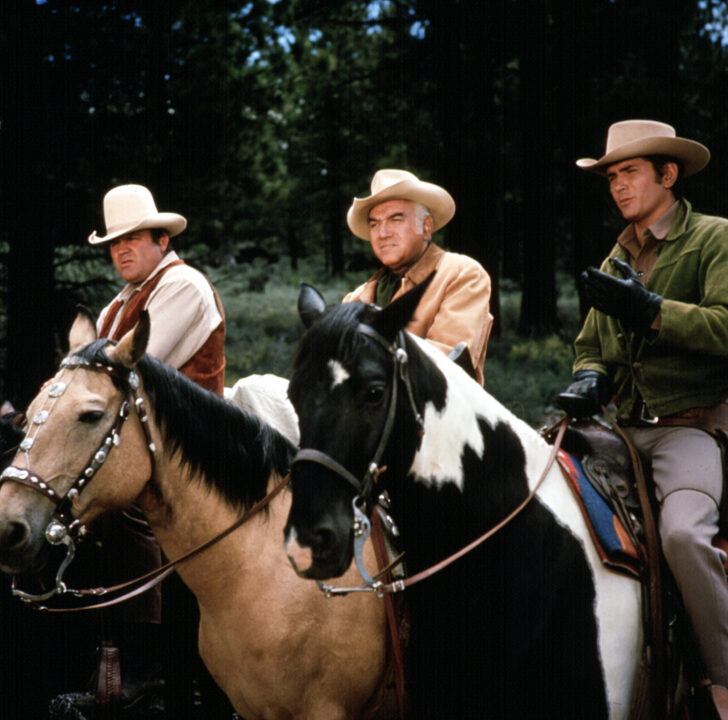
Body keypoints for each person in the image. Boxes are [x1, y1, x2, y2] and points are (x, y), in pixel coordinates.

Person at [557, 120, 728, 716]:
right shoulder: (614, 255)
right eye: (610, 177)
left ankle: (722, 680)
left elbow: (726, 326)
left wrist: (655, 313)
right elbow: (589, 343)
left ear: (668, 174)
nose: (618, 186)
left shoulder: (714, 238)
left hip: (688, 426)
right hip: (618, 429)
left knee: (682, 533)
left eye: (629, 172)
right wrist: (589, 375)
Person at [77, 184, 230, 715]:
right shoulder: (116, 305)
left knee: (123, 514)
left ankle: (146, 668)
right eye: (114, 242)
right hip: (139, 445)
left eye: (133, 238)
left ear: (162, 240)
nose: (121, 250)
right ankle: (97, 653)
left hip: (188, 449)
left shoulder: (183, 285)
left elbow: (124, 370)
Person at [343, 169, 493, 384]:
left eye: (395, 219)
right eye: (374, 223)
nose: (382, 233)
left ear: (426, 226)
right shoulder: (356, 298)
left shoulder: (461, 274)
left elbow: (448, 362)